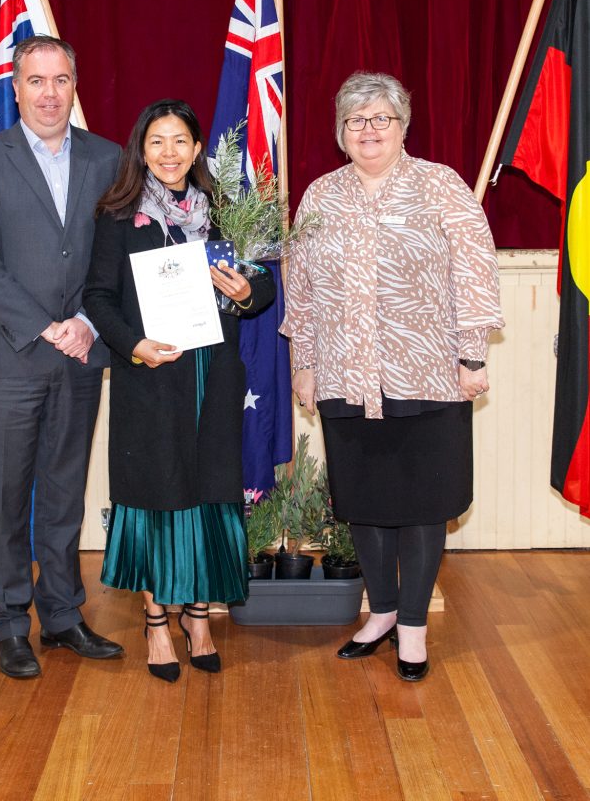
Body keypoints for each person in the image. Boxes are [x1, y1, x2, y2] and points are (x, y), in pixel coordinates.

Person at [280, 71, 503, 682]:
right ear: (340, 133)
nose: (369, 129)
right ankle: (379, 614)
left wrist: (472, 357)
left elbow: (476, 273)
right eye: (356, 120)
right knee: (366, 503)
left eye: (382, 118)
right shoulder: (321, 195)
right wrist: (304, 364)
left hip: (428, 374)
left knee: (424, 503)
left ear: (403, 127)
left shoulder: (440, 186)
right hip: (344, 377)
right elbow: (299, 287)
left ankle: (412, 627)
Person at [83, 99, 275, 682]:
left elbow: (263, 286)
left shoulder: (225, 213)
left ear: (197, 150)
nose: (169, 153)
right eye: (157, 142)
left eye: (180, 142)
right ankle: (157, 623)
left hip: (213, 379)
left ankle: (198, 617)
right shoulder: (117, 217)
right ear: (141, 150)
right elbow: (97, 298)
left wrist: (245, 290)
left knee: (206, 493)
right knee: (155, 496)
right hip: (151, 379)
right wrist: (134, 345)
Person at [0, 34, 124, 679]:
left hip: (82, 354)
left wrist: (83, 322)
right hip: (10, 357)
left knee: (63, 494)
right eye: (36, 81)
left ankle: (62, 616)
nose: (49, 93)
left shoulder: (108, 159)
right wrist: (46, 327)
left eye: (60, 80)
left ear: (73, 86)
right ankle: (8, 624)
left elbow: (113, 256)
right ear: (16, 87)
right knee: (7, 498)